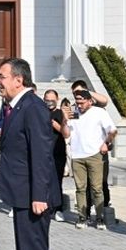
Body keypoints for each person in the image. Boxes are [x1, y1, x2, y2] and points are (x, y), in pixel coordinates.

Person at [0, 58, 59, 250]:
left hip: (34, 196)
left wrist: (39, 195)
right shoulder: (15, 106)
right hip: (21, 194)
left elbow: (42, 155)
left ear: (18, 80)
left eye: (2, 76)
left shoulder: (32, 107)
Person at [67, 89, 115, 229]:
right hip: (77, 155)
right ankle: (82, 217)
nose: (79, 105)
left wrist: (106, 143)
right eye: (77, 102)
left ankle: (99, 218)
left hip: (95, 154)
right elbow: (66, 133)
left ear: (90, 101)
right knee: (80, 188)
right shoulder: (74, 113)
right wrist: (65, 120)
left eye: (82, 102)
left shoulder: (99, 112)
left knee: (96, 188)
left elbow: (112, 130)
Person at [70, 79, 111, 206]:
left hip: (98, 151)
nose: (77, 95)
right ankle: (85, 211)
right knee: (84, 185)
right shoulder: (76, 108)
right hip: (81, 152)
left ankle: (103, 210)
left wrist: (87, 92)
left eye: (79, 92)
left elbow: (105, 101)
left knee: (100, 183)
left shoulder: (95, 105)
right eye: (74, 93)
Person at [43, 90, 70, 222]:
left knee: (57, 181)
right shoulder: (40, 112)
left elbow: (66, 133)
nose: (49, 102)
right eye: (47, 99)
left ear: (57, 99)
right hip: (43, 152)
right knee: (44, 181)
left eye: (52, 99)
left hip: (57, 151)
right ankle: (46, 207)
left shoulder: (60, 113)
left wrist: (56, 125)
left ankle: (58, 209)